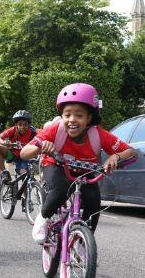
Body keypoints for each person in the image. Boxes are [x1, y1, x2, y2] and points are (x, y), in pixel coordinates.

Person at [20, 83, 138, 244]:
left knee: (94, 202)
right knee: (61, 189)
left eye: (79, 115)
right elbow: (24, 153)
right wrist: (40, 148)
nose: (72, 120)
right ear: (62, 116)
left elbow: (131, 152)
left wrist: (115, 156)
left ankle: (83, 244)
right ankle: (44, 217)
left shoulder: (99, 134)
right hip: (57, 166)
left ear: (89, 118)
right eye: (67, 115)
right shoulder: (55, 130)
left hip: (84, 170)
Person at [0, 110, 36, 183]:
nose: (22, 127)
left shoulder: (32, 132)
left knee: (24, 175)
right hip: (12, 155)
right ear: (16, 125)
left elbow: (43, 134)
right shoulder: (12, 130)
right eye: (20, 125)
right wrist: (4, 143)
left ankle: (26, 194)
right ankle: (4, 172)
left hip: (24, 157)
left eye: (25, 125)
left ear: (29, 125)